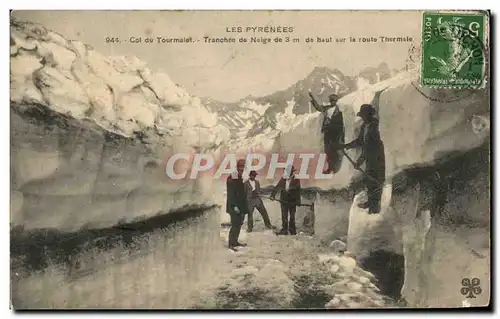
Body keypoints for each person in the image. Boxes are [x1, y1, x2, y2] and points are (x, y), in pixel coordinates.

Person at [340, 104, 385, 214]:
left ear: (369, 114)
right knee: (369, 181)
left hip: (377, 158)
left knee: (375, 180)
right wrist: (346, 146)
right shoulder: (365, 125)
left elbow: (371, 146)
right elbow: (360, 141)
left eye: (364, 115)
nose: (363, 117)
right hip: (369, 158)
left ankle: (375, 207)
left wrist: (360, 160)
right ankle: (371, 203)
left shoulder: (375, 126)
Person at [309, 92, 345, 174]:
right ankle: (330, 168)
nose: (332, 101)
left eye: (333, 100)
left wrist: (339, 137)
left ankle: (335, 169)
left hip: (335, 135)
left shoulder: (339, 112)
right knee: (327, 151)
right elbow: (318, 108)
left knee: (334, 152)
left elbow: (340, 125)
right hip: (327, 133)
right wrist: (313, 99)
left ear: (336, 101)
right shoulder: (326, 108)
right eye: (331, 100)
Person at [270, 165, 301, 235]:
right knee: (284, 216)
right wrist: (272, 195)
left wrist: (298, 201)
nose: (287, 172)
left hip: (292, 202)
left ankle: (292, 231)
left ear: (292, 172)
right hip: (283, 201)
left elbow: (298, 191)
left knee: (292, 217)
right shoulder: (283, 179)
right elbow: (277, 187)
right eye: (286, 171)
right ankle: (284, 230)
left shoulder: (296, 180)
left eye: (289, 171)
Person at [226, 159, 248, 251]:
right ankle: (231, 244)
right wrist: (235, 206)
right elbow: (231, 193)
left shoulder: (239, 176)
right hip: (234, 206)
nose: (241, 169)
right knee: (235, 224)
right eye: (240, 167)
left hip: (240, 206)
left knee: (238, 224)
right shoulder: (233, 176)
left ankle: (235, 241)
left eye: (243, 167)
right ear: (237, 167)